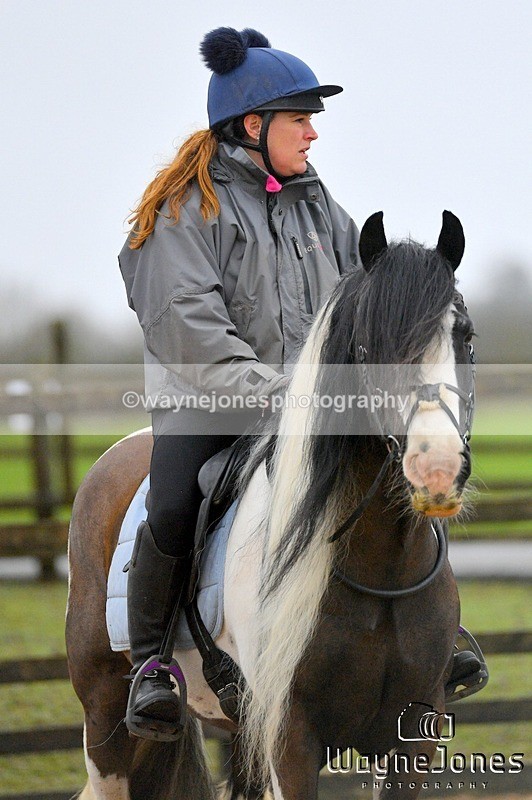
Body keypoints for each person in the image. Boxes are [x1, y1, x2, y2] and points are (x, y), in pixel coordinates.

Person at [118, 26, 360, 740]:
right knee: (170, 508)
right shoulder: (182, 211)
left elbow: (358, 302)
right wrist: (282, 396)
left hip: (311, 409)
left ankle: (435, 640)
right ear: (253, 125)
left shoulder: (320, 205)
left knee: (396, 480)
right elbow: (189, 330)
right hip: (211, 408)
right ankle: (154, 668)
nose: (314, 133)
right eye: (300, 118)